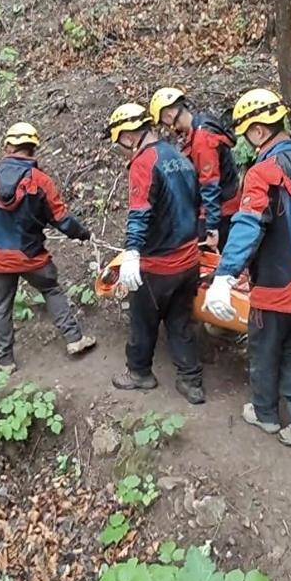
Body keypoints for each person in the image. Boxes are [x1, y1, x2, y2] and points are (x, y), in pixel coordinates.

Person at [202, 89, 291, 446]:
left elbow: (247, 224)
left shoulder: (264, 172)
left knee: (263, 348)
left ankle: (265, 414)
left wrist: (225, 274)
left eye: (246, 132)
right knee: (290, 348)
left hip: (279, 285)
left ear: (259, 130)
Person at [0, 122, 98, 371]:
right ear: (33, 148)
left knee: (0, 306)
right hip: (31, 255)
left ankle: (4, 360)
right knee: (50, 289)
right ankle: (74, 339)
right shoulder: (40, 181)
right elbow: (60, 218)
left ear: (8, 145)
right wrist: (82, 234)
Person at [106, 103, 205, 405]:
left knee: (142, 319)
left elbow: (140, 212)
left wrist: (132, 251)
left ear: (128, 136)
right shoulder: (178, 156)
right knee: (179, 320)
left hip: (158, 263)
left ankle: (138, 373)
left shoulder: (143, 163)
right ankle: (191, 381)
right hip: (189, 260)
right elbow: (198, 202)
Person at [148, 87, 241, 250]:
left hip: (222, 210)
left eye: (164, 122)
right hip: (225, 203)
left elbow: (209, 184)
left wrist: (211, 228)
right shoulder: (203, 124)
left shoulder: (202, 140)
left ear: (169, 116)